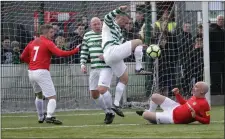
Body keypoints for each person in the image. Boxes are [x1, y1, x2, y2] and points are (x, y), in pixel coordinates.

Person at [20, 24, 80, 125]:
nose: (53, 34)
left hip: (31, 72)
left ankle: (40, 117)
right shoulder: (48, 42)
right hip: (42, 72)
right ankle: (49, 116)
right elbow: (60, 53)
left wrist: (31, 63)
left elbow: (22, 57)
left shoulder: (32, 42)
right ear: (45, 33)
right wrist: (75, 50)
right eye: (51, 32)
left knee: (38, 95)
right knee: (52, 97)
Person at [102, 5, 152, 117]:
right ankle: (139, 68)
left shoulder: (119, 30)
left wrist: (139, 46)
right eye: (124, 21)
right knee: (138, 40)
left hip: (112, 56)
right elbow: (107, 17)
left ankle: (115, 104)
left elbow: (124, 42)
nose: (125, 24)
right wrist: (119, 9)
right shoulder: (110, 23)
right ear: (118, 17)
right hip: (111, 51)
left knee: (124, 78)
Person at [80, 17, 115, 124]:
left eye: (98, 23)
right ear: (91, 26)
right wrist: (82, 63)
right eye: (94, 24)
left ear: (101, 24)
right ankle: (108, 112)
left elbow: (114, 48)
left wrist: (106, 56)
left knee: (102, 89)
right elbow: (84, 50)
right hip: (94, 67)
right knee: (94, 94)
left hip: (106, 66)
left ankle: (111, 110)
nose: (97, 26)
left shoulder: (107, 34)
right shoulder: (87, 35)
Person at [136, 81, 210, 124]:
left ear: (202, 91)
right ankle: (151, 112)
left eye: (196, 87)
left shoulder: (204, 104)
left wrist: (195, 117)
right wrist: (177, 94)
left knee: (145, 115)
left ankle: (152, 117)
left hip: (172, 118)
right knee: (154, 96)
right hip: (174, 107)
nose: (193, 88)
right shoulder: (194, 97)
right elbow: (184, 103)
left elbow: (207, 121)